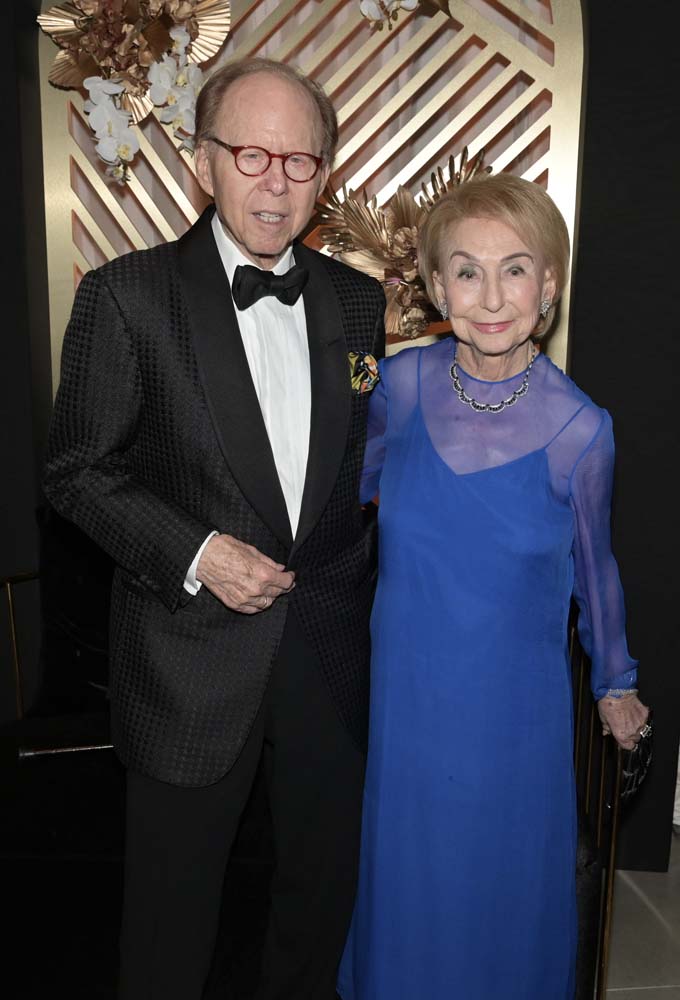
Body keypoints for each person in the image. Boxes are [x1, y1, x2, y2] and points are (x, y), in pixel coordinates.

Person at [43, 57, 385, 1000]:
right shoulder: (125, 297)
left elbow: (367, 464)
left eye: (301, 161)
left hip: (326, 649)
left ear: (327, 173)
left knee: (320, 896)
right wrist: (196, 551)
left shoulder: (359, 303)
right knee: (171, 916)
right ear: (202, 163)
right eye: (250, 153)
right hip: (188, 659)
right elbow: (75, 471)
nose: (276, 181)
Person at [337, 173, 648, 1000]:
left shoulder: (581, 430)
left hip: (510, 712)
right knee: (412, 880)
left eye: (516, 268)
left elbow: (596, 564)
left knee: (499, 889)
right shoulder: (398, 390)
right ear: (437, 287)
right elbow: (349, 498)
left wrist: (617, 682)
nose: (491, 295)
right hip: (407, 696)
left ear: (549, 284)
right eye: (466, 271)